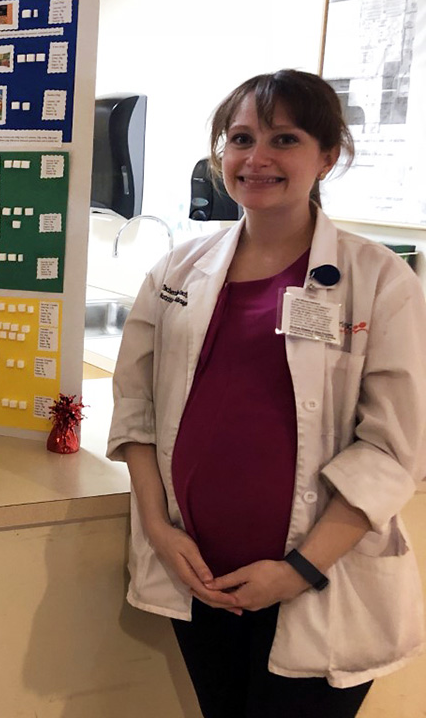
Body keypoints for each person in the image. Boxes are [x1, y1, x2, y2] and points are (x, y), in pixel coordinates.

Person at [108, 69, 426, 717]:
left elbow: (395, 449)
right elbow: (136, 411)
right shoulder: (178, 268)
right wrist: (160, 530)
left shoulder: (379, 279)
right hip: (199, 576)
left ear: (327, 156)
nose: (255, 158)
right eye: (240, 138)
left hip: (318, 583)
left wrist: (297, 570)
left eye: (284, 139)